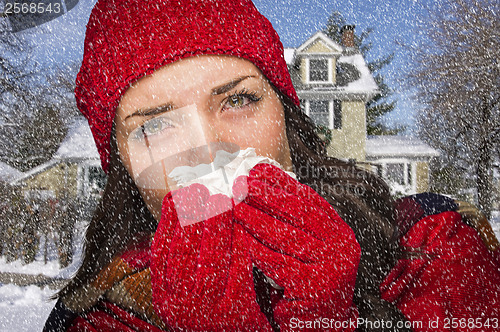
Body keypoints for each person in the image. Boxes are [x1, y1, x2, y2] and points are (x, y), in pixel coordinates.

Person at [44, 0, 500, 331]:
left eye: (237, 100)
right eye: (154, 126)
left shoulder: (439, 249)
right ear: (123, 166)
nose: (208, 151)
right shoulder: (99, 319)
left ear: (287, 116)